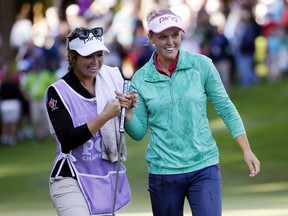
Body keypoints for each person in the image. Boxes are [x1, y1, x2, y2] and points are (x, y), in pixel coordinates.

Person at [121, 9, 260, 216]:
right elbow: (139, 132)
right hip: (163, 171)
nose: (171, 42)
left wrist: (246, 149)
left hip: (204, 166)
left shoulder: (201, 65)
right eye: (163, 37)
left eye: (175, 35)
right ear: (150, 37)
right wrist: (129, 114)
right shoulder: (140, 79)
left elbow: (226, 108)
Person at [45, 27, 137, 216]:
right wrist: (104, 116)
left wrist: (127, 109)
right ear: (73, 57)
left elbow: (132, 128)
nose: (95, 62)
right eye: (88, 56)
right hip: (70, 177)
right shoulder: (57, 92)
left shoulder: (111, 80)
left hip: (104, 175)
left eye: (99, 54)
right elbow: (68, 139)